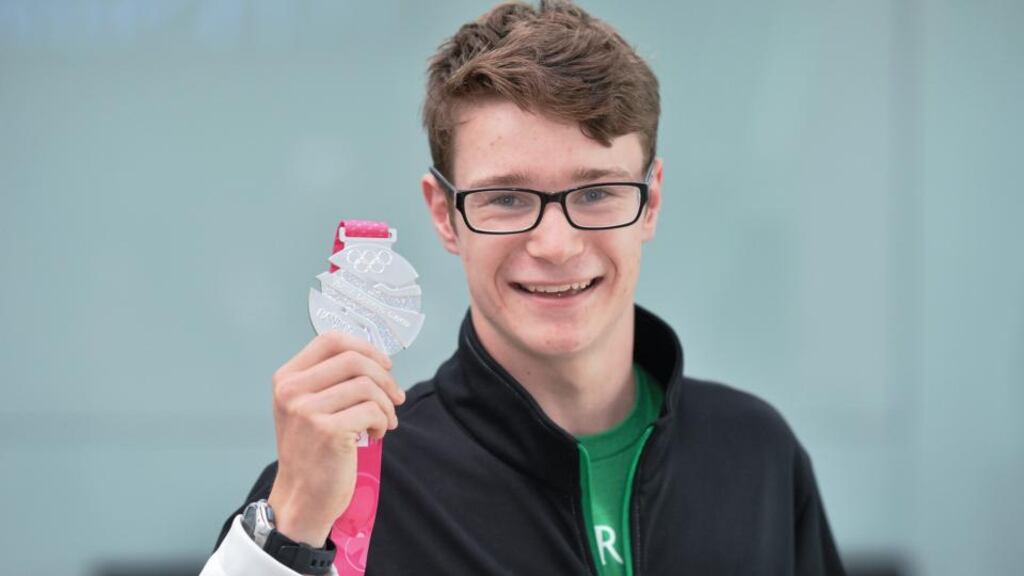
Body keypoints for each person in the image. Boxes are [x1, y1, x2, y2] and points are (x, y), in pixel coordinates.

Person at [201, 1, 845, 575]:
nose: (556, 244)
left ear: (650, 202)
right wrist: (291, 527)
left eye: (596, 192)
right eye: (507, 197)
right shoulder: (348, 489)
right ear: (444, 214)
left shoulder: (757, 454)